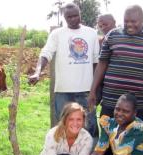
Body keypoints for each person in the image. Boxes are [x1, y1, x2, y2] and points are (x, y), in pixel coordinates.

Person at [29, 3, 100, 136]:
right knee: (64, 126)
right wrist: (37, 72)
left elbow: (96, 62)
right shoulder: (57, 34)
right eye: (69, 17)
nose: (73, 19)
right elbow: (46, 53)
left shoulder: (91, 33)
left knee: (89, 127)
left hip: (86, 90)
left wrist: (95, 89)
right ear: (64, 18)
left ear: (80, 14)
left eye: (75, 16)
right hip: (63, 91)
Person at [88, 5, 143, 123]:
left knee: (137, 139)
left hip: (140, 104)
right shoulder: (112, 35)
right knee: (109, 138)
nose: (129, 24)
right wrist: (93, 90)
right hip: (111, 101)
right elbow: (102, 64)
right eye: (126, 21)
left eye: (133, 21)